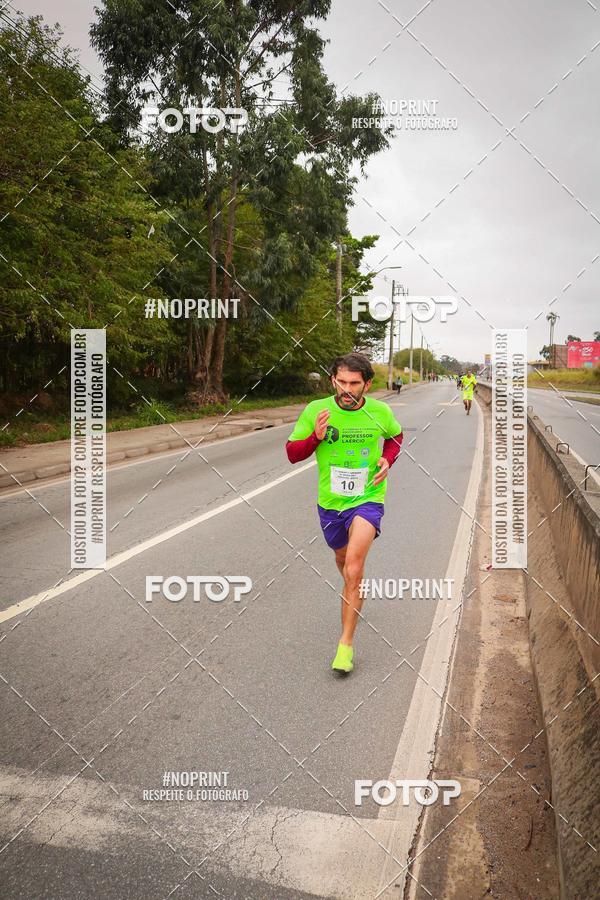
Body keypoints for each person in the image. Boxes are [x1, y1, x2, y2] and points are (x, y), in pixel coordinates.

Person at [286, 353, 403, 675]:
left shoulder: (380, 410)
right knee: (341, 559)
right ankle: (355, 593)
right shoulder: (316, 410)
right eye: (341, 382)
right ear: (332, 380)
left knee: (353, 567)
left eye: (354, 383)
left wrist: (387, 460)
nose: (347, 389)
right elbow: (293, 454)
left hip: (368, 498)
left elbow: (395, 437)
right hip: (330, 503)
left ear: (367, 383)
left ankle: (345, 645)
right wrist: (316, 437)